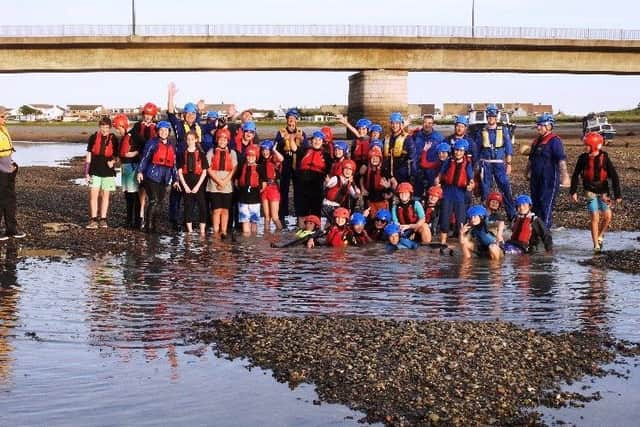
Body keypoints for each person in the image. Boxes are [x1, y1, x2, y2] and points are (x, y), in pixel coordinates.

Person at [569, 132, 622, 253]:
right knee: (594, 217)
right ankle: (596, 245)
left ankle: (600, 235)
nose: (584, 147)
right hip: (590, 191)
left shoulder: (605, 158)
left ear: (594, 145)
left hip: (603, 192)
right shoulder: (583, 158)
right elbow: (575, 175)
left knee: (608, 216)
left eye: (586, 145)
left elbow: (614, 176)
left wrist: (617, 194)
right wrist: (573, 191)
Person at [167, 82, 202, 231]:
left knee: (191, 193)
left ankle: (188, 219)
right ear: (184, 115)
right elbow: (170, 113)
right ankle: (174, 220)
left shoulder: (197, 126)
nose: (191, 116)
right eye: (188, 113)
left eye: (193, 113)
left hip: (193, 164)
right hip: (180, 160)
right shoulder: (179, 125)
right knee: (177, 191)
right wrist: (170, 95)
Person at [526, 113, 570, 229]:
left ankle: (545, 232)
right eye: (538, 125)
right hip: (536, 179)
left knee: (546, 206)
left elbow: (561, 160)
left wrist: (565, 176)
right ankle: (535, 231)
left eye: (541, 125)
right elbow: (531, 159)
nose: (538, 127)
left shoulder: (555, 141)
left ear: (549, 126)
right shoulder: (536, 141)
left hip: (549, 179)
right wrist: (527, 172)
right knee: (535, 206)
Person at [473, 104, 516, 220]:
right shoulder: (481, 131)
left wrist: (509, 164)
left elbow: (508, 148)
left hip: (499, 164)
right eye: (489, 116)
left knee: (505, 188)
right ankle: (486, 217)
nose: (491, 118)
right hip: (485, 164)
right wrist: (476, 166)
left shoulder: (503, 130)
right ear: (487, 117)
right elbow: (477, 149)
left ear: (496, 117)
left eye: (493, 116)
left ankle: (512, 215)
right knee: (485, 191)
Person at [136, 121, 178, 233]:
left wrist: (175, 179)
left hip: (164, 178)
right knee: (153, 200)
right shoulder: (152, 143)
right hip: (151, 176)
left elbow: (174, 164)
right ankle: (148, 226)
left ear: (169, 132)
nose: (164, 132)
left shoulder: (171, 145)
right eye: (161, 130)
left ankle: (154, 225)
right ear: (158, 131)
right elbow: (145, 158)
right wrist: (140, 171)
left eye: (166, 130)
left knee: (159, 202)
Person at [437, 140, 474, 246]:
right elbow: (440, 174)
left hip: (460, 195)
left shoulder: (467, 164)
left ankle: (462, 242)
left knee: (460, 220)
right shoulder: (448, 162)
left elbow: (471, 179)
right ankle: (443, 242)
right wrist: (437, 181)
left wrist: (471, 186)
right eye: (457, 150)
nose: (458, 153)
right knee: (445, 218)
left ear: (464, 152)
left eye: (461, 151)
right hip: (448, 193)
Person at [85, 116, 119, 229]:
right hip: (94, 170)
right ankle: (93, 219)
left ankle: (103, 219)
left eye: (107, 127)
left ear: (110, 128)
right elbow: (89, 155)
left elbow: (117, 156)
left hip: (108, 172)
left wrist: (113, 161)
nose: (104, 130)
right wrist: (86, 172)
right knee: (93, 195)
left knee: (105, 195)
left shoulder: (113, 139)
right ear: (99, 127)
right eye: (102, 127)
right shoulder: (93, 138)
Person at [275, 108, 307, 223]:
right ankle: (282, 215)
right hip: (286, 164)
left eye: (293, 119)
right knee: (283, 190)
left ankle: (299, 216)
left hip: (298, 165)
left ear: (296, 120)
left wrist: (301, 141)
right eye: (289, 119)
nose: (291, 121)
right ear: (287, 120)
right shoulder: (281, 132)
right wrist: (284, 141)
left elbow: (305, 149)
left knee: (298, 191)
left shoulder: (302, 132)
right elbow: (276, 148)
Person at [130, 102, 158, 229]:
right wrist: (147, 143)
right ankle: (140, 215)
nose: (148, 117)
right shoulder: (137, 126)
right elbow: (133, 137)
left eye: (150, 115)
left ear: (153, 116)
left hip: (152, 163)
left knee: (151, 191)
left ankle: (150, 218)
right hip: (140, 160)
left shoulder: (157, 127)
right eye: (146, 114)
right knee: (140, 190)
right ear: (143, 114)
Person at [206, 128, 237, 239]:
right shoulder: (211, 151)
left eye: (225, 139)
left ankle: (223, 231)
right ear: (217, 139)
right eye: (220, 139)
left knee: (225, 210)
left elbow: (234, 168)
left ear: (228, 140)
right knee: (216, 210)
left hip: (227, 186)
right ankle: (215, 231)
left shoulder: (232, 152)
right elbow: (208, 168)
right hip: (214, 185)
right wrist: (218, 181)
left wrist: (225, 181)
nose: (222, 141)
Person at [296, 130, 332, 227]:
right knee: (302, 212)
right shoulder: (304, 151)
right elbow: (294, 149)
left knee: (316, 212)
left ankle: (316, 232)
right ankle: (301, 232)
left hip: (317, 187)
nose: (317, 141)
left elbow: (330, 171)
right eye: (315, 139)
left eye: (319, 140)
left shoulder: (326, 156)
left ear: (323, 142)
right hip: (303, 187)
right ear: (311, 141)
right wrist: (297, 138)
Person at [0, 108, 26, 240]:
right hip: (2, 172)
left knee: (10, 200)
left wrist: (12, 165)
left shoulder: (3, 130)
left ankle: (11, 229)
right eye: (2, 116)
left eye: (5, 116)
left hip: (8, 171)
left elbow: (7, 153)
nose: (5, 119)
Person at [177, 131, 209, 235]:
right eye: (188, 139)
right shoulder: (182, 154)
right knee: (188, 206)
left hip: (198, 181)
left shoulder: (201, 154)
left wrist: (198, 186)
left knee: (202, 206)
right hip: (186, 181)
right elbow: (180, 171)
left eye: (192, 139)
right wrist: (185, 186)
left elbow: (204, 171)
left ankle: (202, 231)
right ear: (186, 141)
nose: (190, 141)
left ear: (196, 140)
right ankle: (190, 231)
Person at [112, 113, 139, 229]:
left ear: (123, 126)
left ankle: (136, 220)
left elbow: (144, 146)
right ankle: (128, 220)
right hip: (125, 168)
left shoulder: (133, 135)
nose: (117, 131)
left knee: (134, 195)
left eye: (118, 129)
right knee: (127, 194)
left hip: (132, 167)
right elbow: (120, 154)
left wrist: (135, 152)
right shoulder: (124, 138)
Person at [412, 114, 444, 200]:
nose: (427, 125)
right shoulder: (416, 136)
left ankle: (430, 211)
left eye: (430, 123)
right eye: (425, 123)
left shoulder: (439, 137)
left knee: (432, 195)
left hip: (432, 170)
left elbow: (444, 155)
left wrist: (440, 173)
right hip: (418, 169)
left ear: (433, 124)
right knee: (417, 196)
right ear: (422, 123)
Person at [258, 139, 284, 233]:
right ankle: (266, 235)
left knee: (274, 216)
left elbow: (281, 159)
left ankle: (280, 233)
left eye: (267, 150)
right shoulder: (261, 162)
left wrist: (274, 150)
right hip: (264, 189)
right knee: (266, 216)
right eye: (263, 150)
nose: (265, 152)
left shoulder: (274, 160)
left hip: (273, 188)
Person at [383, 112, 415, 188]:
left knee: (403, 197)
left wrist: (413, 175)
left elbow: (413, 158)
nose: (394, 126)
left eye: (397, 123)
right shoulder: (387, 139)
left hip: (403, 175)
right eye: (392, 123)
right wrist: (388, 176)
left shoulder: (407, 139)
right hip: (389, 175)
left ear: (401, 124)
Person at [235, 145, 262, 235]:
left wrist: (258, 191)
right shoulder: (242, 167)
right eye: (248, 155)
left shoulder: (259, 168)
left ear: (256, 157)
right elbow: (236, 181)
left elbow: (264, 184)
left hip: (255, 199)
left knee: (254, 222)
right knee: (244, 220)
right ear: (246, 156)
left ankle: (253, 240)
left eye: (253, 156)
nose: (250, 158)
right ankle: (246, 241)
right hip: (243, 199)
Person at [359, 146, 391, 218]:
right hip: (369, 198)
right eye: (373, 158)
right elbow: (361, 178)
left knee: (383, 217)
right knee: (371, 217)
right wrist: (363, 189)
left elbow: (389, 184)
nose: (375, 160)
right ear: (370, 159)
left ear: (380, 160)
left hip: (381, 198)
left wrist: (388, 187)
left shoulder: (384, 170)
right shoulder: (366, 169)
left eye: (377, 158)